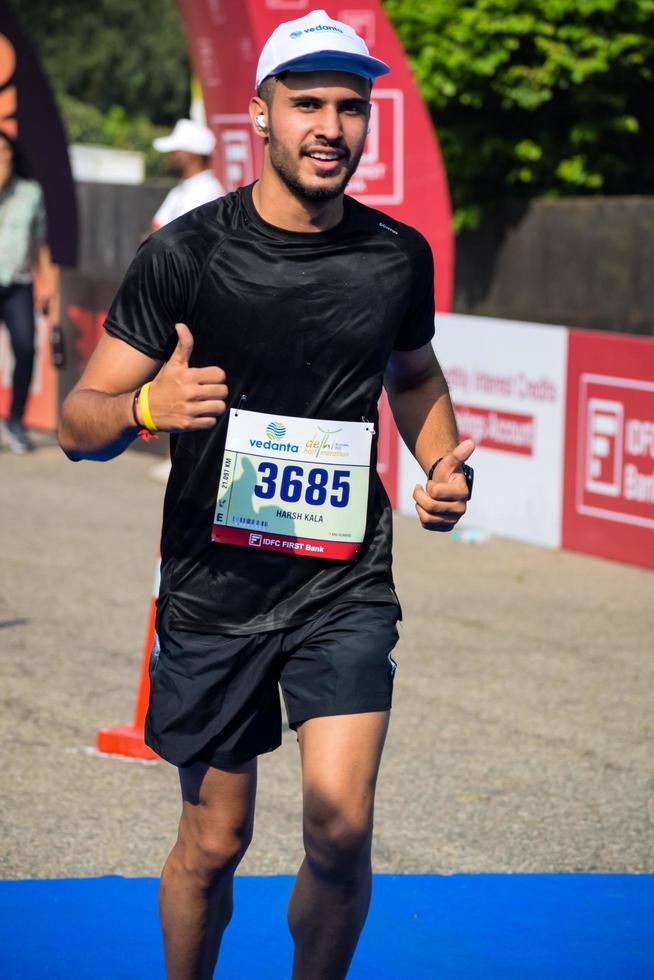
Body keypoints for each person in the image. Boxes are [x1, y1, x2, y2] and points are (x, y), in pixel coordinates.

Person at [58, 10, 474, 979]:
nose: (331, 126)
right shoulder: (186, 254)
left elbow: (412, 374)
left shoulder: (394, 256)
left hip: (344, 578)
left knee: (341, 823)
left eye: (350, 106)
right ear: (260, 115)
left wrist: (441, 463)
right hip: (215, 587)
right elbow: (82, 416)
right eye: (308, 104)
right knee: (214, 840)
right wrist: (148, 405)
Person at [0, 132, 59, 453]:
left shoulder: (30, 192)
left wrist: (48, 281)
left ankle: (16, 420)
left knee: (26, 348)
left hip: (18, 282)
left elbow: (39, 240)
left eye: (3, 150)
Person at [151, 118, 226, 230]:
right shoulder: (183, 187)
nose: (170, 155)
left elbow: (176, 239)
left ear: (189, 155)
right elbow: (157, 228)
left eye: (174, 150)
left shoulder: (208, 192)